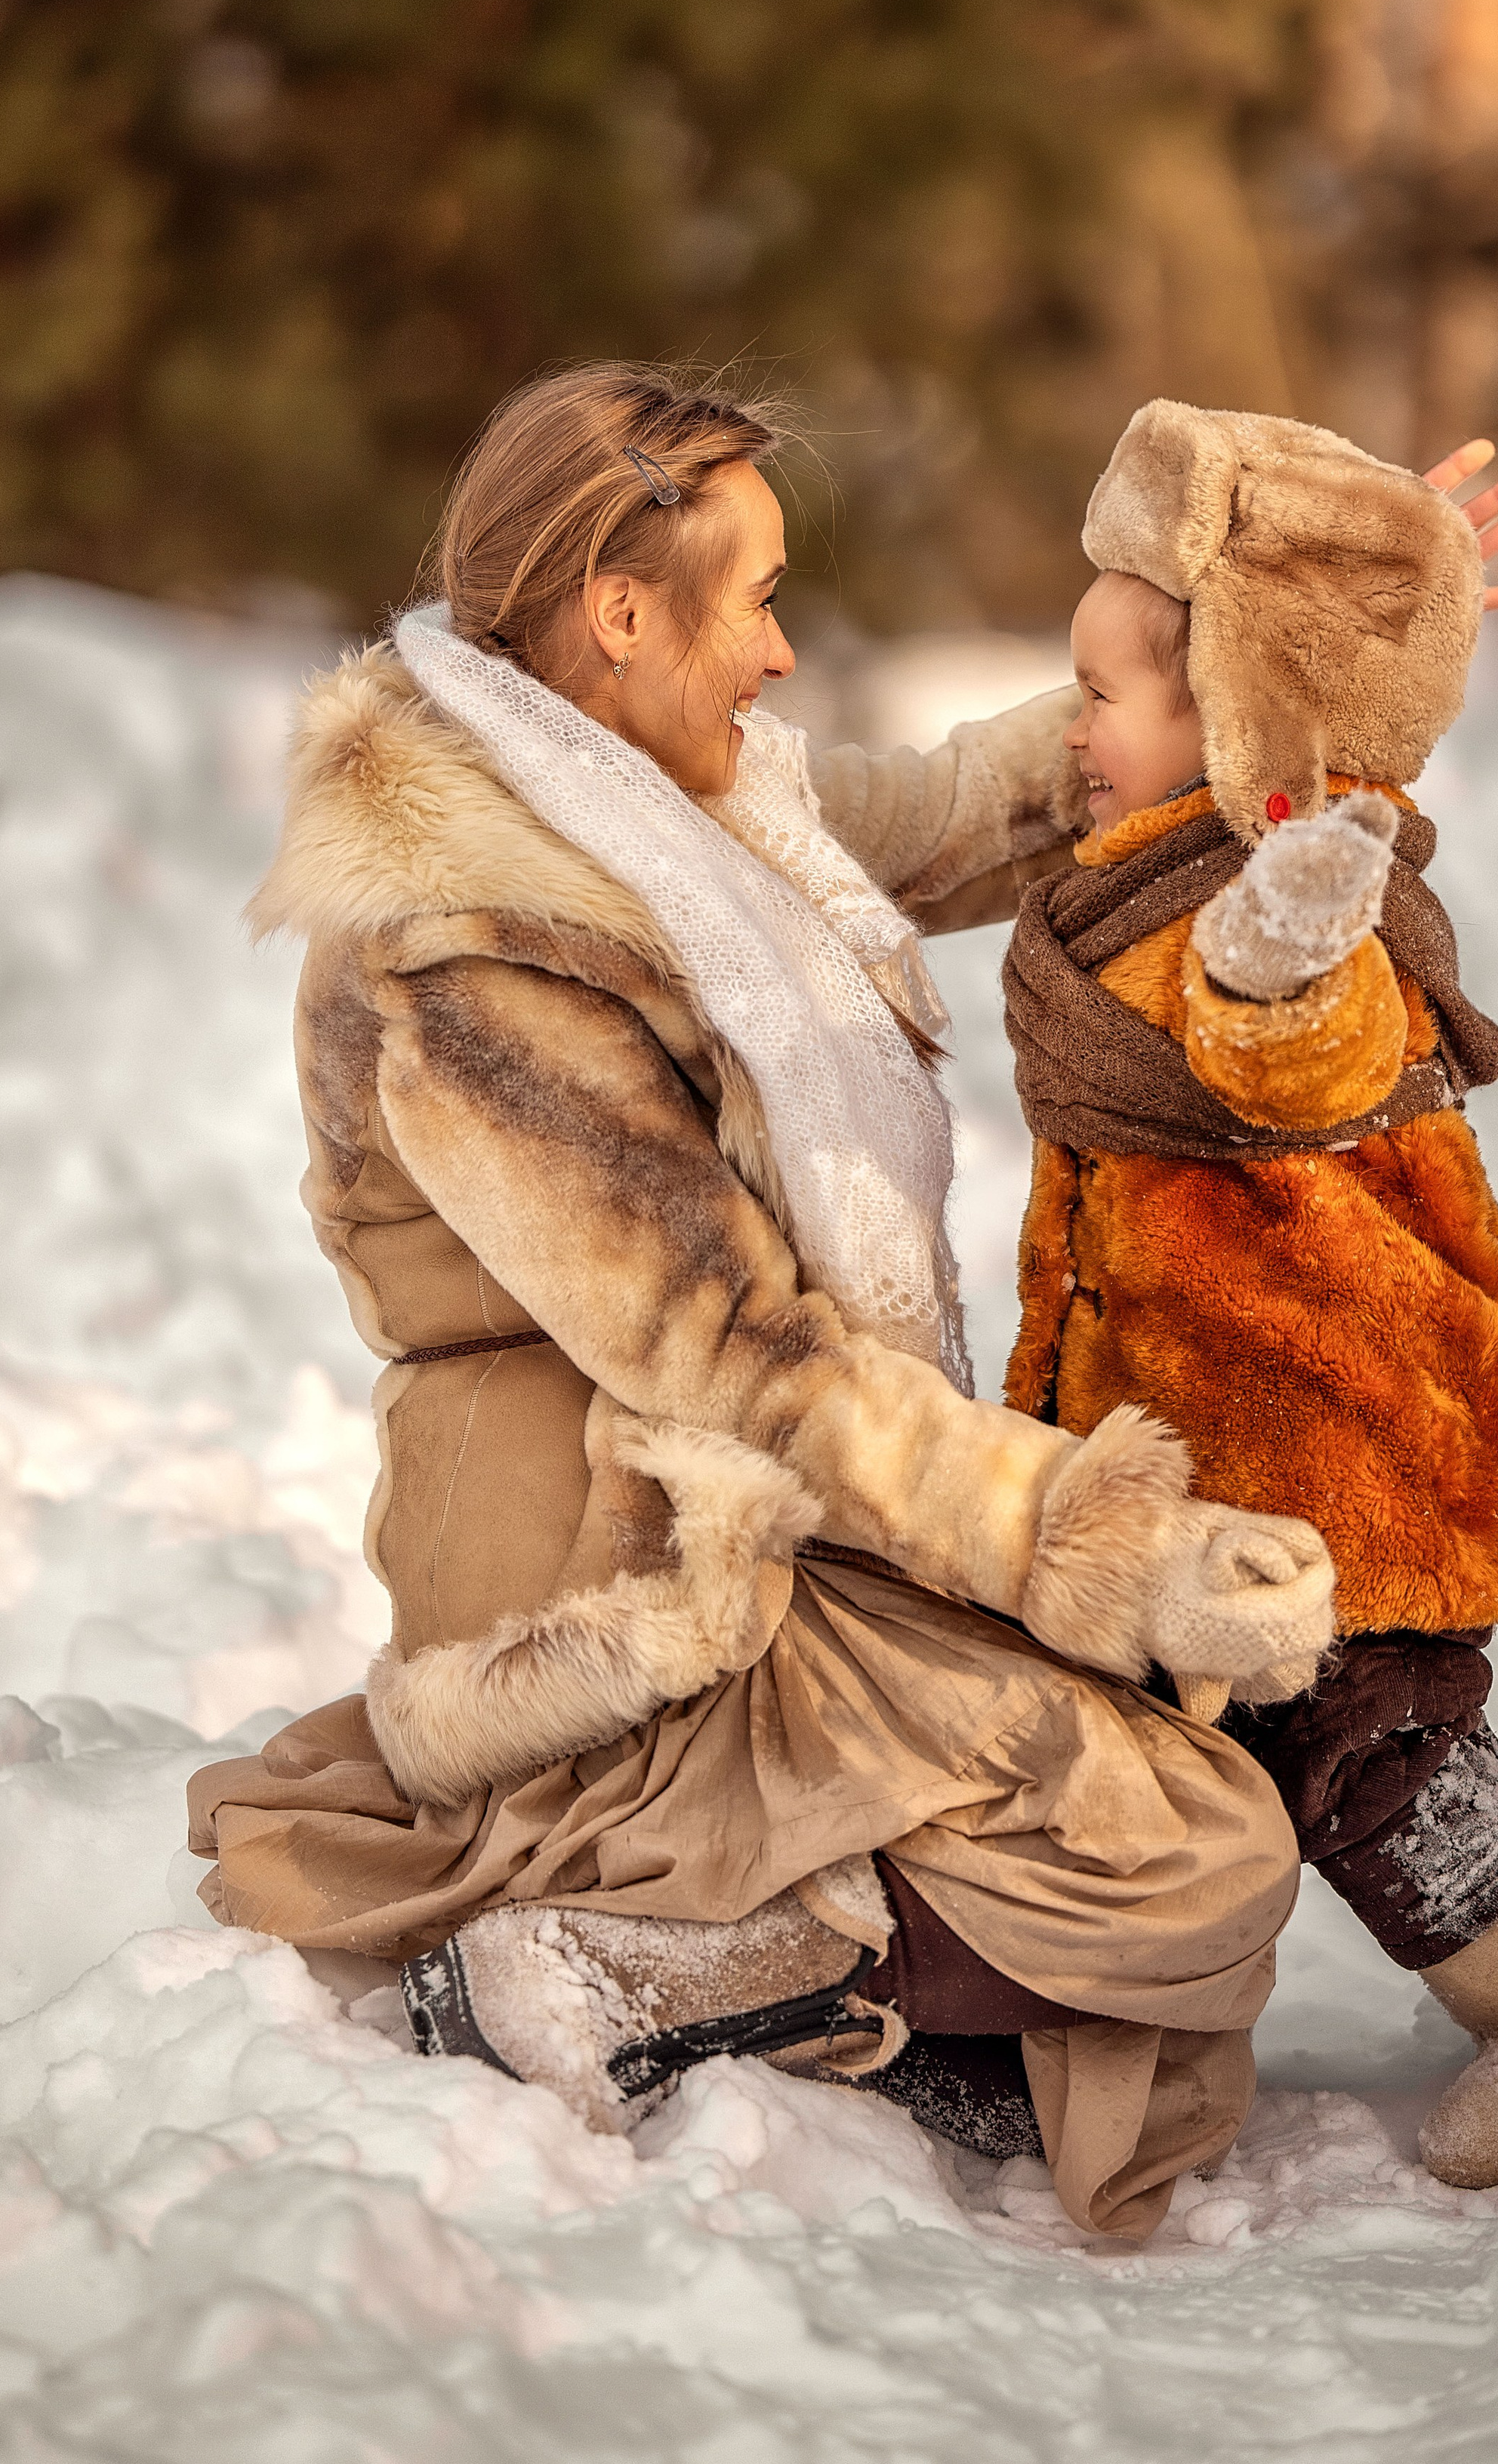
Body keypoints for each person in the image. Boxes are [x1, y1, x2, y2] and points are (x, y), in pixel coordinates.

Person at [186, 362, 1339, 2246]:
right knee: (1184, 1860)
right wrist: (1077, 1538)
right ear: (620, 615)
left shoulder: (668, 809)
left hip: (780, 1497)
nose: (785, 655)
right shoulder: (471, 950)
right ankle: (615, 1967)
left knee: (1185, 1824)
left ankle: (812, 1957)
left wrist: (1299, 625)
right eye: (755, 601)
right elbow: (741, 1361)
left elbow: (979, 805)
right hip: (625, 1566)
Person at [1000, 402, 1498, 2189]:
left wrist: (1284, 938)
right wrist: (1336, 579)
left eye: (1101, 696)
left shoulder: (1285, 899)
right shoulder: (1131, 868)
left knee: (1370, 1751)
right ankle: (1090, 2029)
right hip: (1203, 1445)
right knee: (1177, 1744)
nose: (1073, 728)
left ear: (1228, 716)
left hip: (1334, 1433)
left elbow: (1296, 1054)